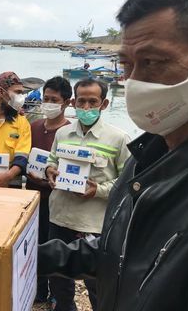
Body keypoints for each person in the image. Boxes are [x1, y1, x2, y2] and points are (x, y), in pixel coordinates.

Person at [39, 0, 188, 310]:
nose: (133, 83)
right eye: (127, 65)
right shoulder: (146, 155)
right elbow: (122, 251)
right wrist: (30, 256)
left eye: (152, 62)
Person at [44, 78, 130, 311]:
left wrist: (97, 191)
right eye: (81, 101)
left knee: (97, 283)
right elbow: (52, 161)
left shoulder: (119, 139)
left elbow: (127, 184)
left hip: (95, 224)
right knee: (59, 279)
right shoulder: (62, 133)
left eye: (93, 102)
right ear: (73, 102)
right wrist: (50, 171)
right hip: (60, 217)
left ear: (104, 104)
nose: (86, 107)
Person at [25, 76, 72, 306]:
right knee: (32, 243)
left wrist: (46, 181)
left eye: (54, 100)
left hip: (56, 201)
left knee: (53, 246)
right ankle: (37, 290)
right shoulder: (33, 127)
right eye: (46, 99)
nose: (49, 103)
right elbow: (23, 157)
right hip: (31, 198)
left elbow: (72, 172)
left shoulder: (69, 133)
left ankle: (57, 294)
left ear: (65, 102)